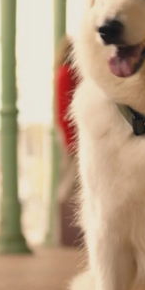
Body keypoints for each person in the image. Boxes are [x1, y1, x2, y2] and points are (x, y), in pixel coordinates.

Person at [53, 36, 85, 248]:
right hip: (74, 137)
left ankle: (66, 234)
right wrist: (72, 141)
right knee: (68, 185)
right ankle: (64, 235)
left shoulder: (65, 73)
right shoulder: (66, 73)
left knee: (72, 184)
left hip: (75, 136)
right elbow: (65, 111)